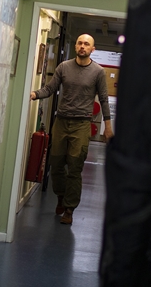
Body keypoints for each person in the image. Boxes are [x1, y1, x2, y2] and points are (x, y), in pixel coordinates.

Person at [30, 34, 113, 225]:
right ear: (76, 46)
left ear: (92, 49)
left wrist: (107, 127)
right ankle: (61, 195)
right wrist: (34, 94)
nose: (82, 46)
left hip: (81, 124)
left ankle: (69, 209)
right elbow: (49, 89)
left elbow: (103, 99)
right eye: (80, 43)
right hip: (61, 121)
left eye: (86, 44)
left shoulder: (98, 72)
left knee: (75, 167)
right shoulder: (63, 67)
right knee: (56, 164)